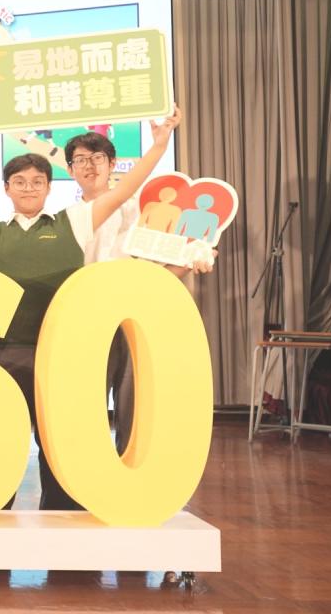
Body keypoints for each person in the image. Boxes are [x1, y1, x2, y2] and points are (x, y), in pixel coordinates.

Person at [0, 105, 180, 509]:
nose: (29, 188)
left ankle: (61, 516)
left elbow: (122, 192)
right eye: (20, 182)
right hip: (5, 352)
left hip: (60, 353)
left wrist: (159, 146)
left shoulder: (72, 222)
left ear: (49, 188)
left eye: (38, 181)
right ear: (8, 188)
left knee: (58, 442)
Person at [63, 129, 215, 455]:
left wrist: (195, 256)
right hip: (87, 318)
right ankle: (86, 471)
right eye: (81, 160)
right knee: (85, 403)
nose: (90, 165)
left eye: (98, 158)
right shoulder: (65, 219)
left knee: (134, 404)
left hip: (135, 316)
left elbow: (167, 266)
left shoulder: (142, 212)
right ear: (69, 169)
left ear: (112, 164)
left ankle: (131, 470)